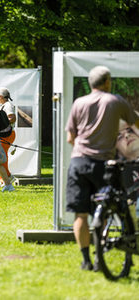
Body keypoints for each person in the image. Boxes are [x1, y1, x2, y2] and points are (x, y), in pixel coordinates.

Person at [65, 66, 139, 271]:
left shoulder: (79, 103)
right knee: (105, 207)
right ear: (107, 82)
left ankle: (86, 260)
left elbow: (70, 137)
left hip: (78, 162)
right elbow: (135, 122)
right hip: (103, 165)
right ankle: (100, 256)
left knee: (80, 214)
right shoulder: (114, 101)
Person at [0, 87, 16, 189]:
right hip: (5, 134)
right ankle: (3, 179)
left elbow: (12, 117)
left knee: (1, 157)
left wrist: (1, 123)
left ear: (1, 97)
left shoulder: (8, 105)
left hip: (8, 134)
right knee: (1, 157)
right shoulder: (3, 105)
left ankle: (8, 177)